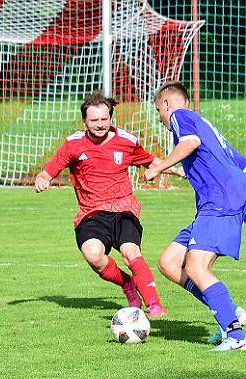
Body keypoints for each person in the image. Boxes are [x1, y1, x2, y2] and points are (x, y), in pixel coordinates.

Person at [35, 91, 185, 317]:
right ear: (84, 121)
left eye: (104, 119)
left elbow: (149, 160)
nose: (99, 124)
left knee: (130, 251)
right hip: (91, 213)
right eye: (94, 120)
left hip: (123, 209)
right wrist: (42, 178)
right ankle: (127, 284)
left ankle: (154, 304)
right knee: (93, 255)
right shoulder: (73, 144)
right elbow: (49, 170)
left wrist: (174, 169)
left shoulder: (126, 141)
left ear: (111, 118)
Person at [144, 80, 246, 351]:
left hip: (219, 201)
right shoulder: (205, 124)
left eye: (158, 111)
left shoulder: (180, 117)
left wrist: (159, 167)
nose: (162, 118)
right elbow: (240, 164)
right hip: (219, 202)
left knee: (197, 267)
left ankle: (236, 337)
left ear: (167, 103)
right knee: (169, 262)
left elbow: (190, 143)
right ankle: (230, 311)